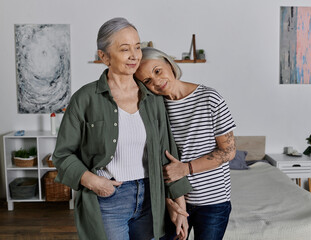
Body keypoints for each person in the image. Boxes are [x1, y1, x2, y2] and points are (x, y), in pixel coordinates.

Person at [52, 18, 192, 240]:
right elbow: (62, 154)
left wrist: (179, 205)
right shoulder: (84, 99)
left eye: (137, 47)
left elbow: (168, 155)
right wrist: (93, 181)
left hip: (150, 198)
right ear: (104, 57)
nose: (135, 55)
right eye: (125, 49)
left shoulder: (153, 98)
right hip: (108, 200)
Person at [135, 47, 237, 240]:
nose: (156, 81)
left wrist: (186, 169)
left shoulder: (210, 98)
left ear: (170, 64)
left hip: (213, 203)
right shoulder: (155, 108)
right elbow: (157, 159)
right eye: (147, 80)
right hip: (174, 200)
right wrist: (169, 201)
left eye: (157, 71)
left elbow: (229, 151)